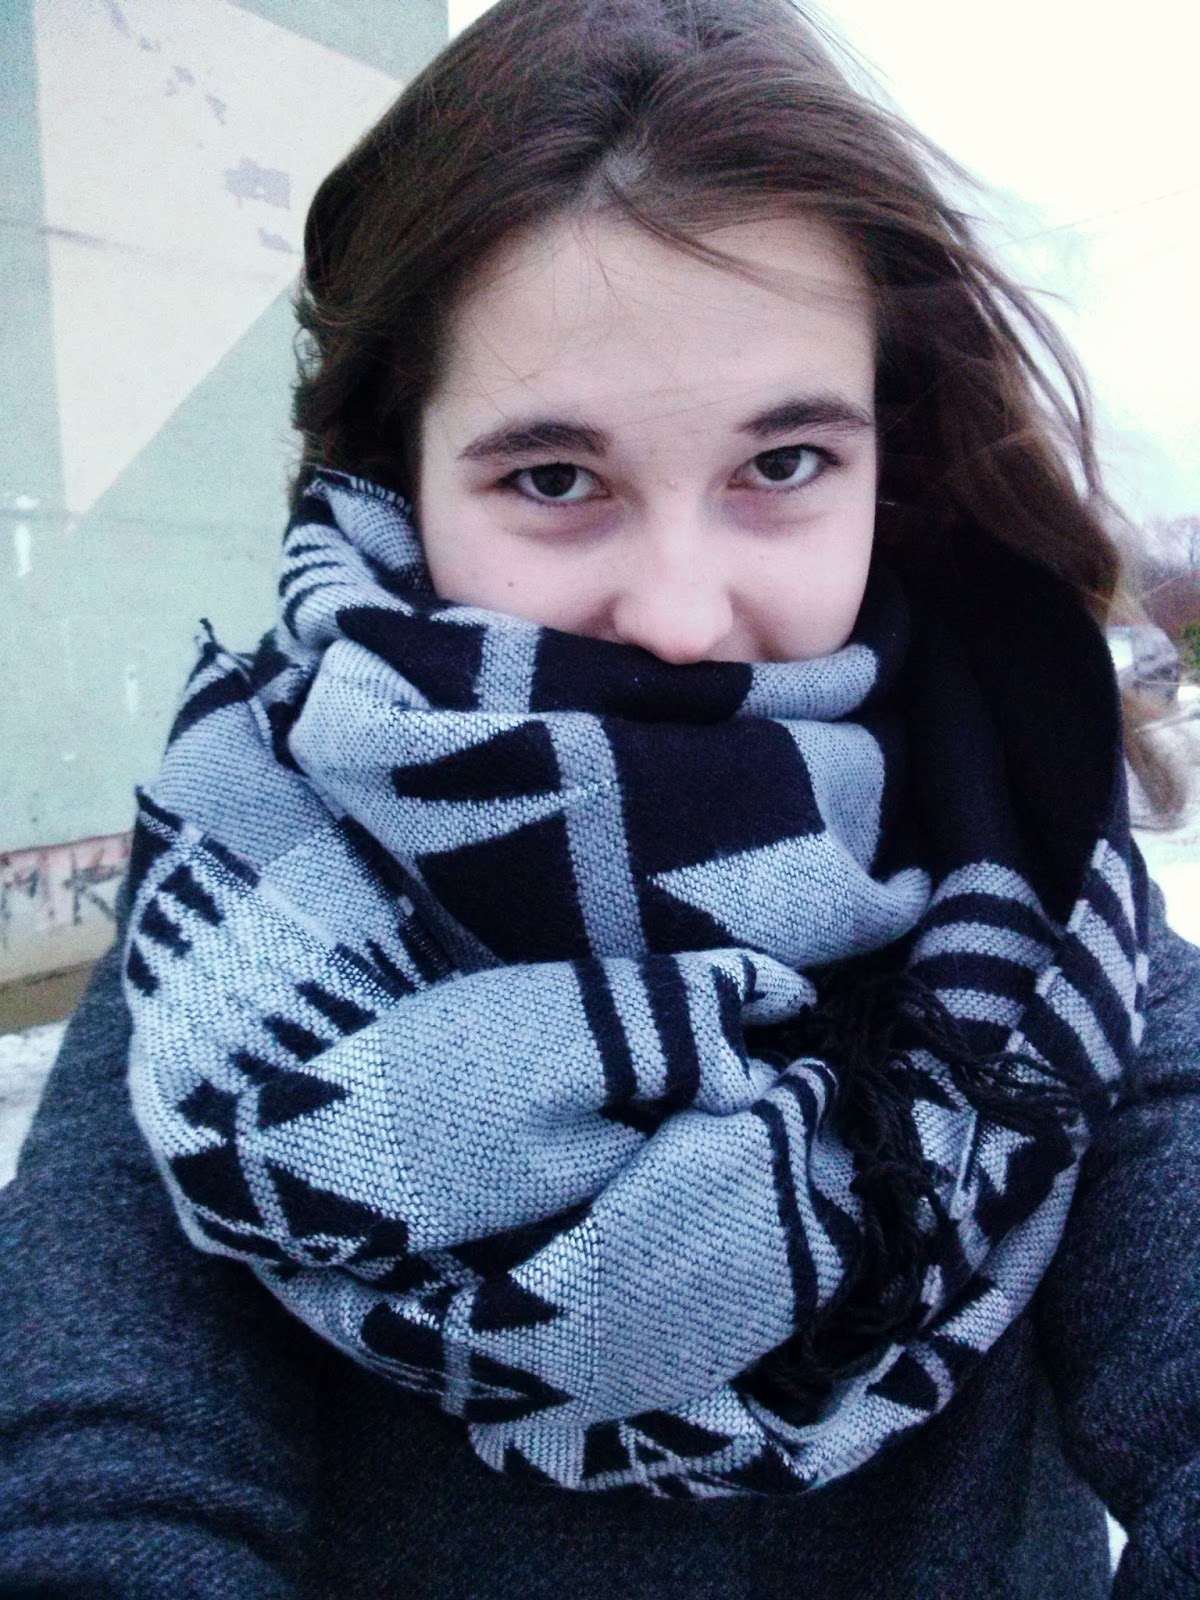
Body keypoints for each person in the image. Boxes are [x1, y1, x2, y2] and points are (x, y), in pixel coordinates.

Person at [2, 0, 1198, 1594]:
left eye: (784, 465)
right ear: (396, 479)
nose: (683, 620)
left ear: (884, 456)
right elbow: (97, 1484)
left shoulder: (1036, 889)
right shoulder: (241, 914)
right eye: (555, 479)